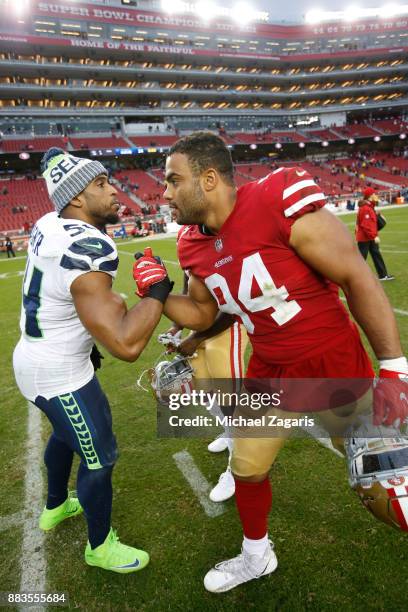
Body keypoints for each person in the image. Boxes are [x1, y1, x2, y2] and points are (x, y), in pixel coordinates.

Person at [134, 132, 408, 593]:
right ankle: (256, 555)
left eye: (172, 180)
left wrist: (396, 367)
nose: (163, 193)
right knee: (247, 466)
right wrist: (159, 295)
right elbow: (204, 313)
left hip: (330, 364)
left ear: (208, 179)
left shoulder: (277, 198)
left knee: (385, 487)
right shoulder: (192, 245)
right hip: (270, 368)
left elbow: (355, 276)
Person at [13, 148, 172, 574]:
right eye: (100, 184)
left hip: (39, 356)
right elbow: (126, 344)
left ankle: (55, 505)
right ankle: (99, 546)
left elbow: (67, 298)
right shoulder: (89, 245)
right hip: (59, 373)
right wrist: (156, 293)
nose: (114, 190)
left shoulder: (49, 222)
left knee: (65, 436)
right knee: (100, 456)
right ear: (77, 200)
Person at [165, 271, 248, 502]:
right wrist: (177, 327)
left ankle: (239, 464)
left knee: (230, 401)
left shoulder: (223, 242)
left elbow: (234, 306)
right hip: (200, 330)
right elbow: (188, 292)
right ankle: (230, 435)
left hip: (228, 329)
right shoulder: (187, 239)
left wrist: (196, 338)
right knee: (204, 392)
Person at [356, 186, 394, 281]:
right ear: (369, 196)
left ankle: (383, 275)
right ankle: (355, 277)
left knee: (377, 255)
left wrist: (378, 215)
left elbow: (372, 224)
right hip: (365, 238)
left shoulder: (370, 207)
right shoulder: (365, 208)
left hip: (370, 237)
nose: (376, 195)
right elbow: (366, 225)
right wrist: (374, 236)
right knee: (361, 258)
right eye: (374, 194)